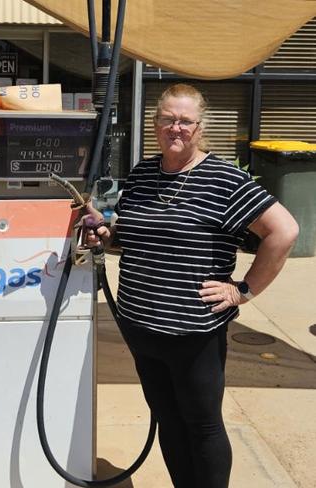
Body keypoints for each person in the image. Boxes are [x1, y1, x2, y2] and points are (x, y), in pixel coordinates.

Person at [85, 83, 298, 488]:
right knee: (167, 417)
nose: (175, 128)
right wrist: (105, 236)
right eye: (168, 120)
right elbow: (129, 239)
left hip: (193, 333)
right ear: (155, 124)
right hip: (140, 325)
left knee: (202, 425)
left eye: (185, 121)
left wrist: (244, 290)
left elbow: (284, 231)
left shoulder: (223, 178)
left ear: (199, 127)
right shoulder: (144, 173)